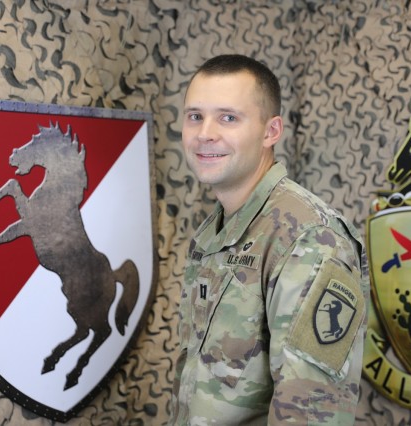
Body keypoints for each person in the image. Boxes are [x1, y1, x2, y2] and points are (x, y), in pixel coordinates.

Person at [171, 54, 369, 425]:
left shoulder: (309, 238)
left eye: (228, 117)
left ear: (271, 131)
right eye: (195, 116)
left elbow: (310, 414)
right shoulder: (220, 230)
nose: (204, 133)